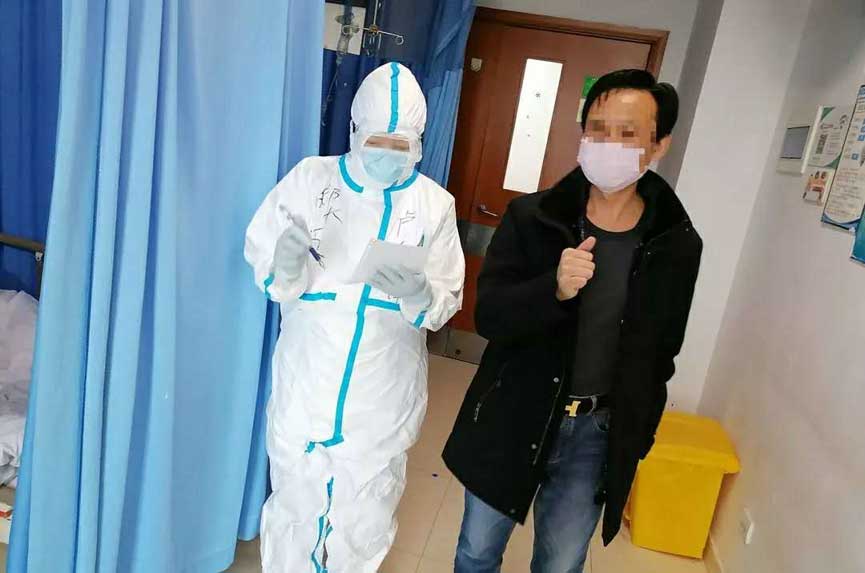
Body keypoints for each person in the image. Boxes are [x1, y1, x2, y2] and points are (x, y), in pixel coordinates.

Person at [442, 69, 702, 572]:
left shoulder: (675, 244)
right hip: (514, 411)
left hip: (595, 433)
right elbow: (489, 315)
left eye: (627, 133)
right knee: (476, 551)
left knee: (561, 564)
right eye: (598, 129)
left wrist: (637, 435)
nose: (609, 143)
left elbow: (662, 351)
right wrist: (553, 289)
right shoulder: (533, 218)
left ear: (659, 146)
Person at [245, 62, 465, 573]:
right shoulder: (310, 180)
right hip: (308, 378)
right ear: (354, 131)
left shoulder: (434, 206)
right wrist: (284, 264)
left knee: (366, 513)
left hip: (381, 393)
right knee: (294, 506)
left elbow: (445, 298)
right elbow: (269, 272)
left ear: (419, 142)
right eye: (377, 141)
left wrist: (421, 293)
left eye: (401, 144)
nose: (388, 154)